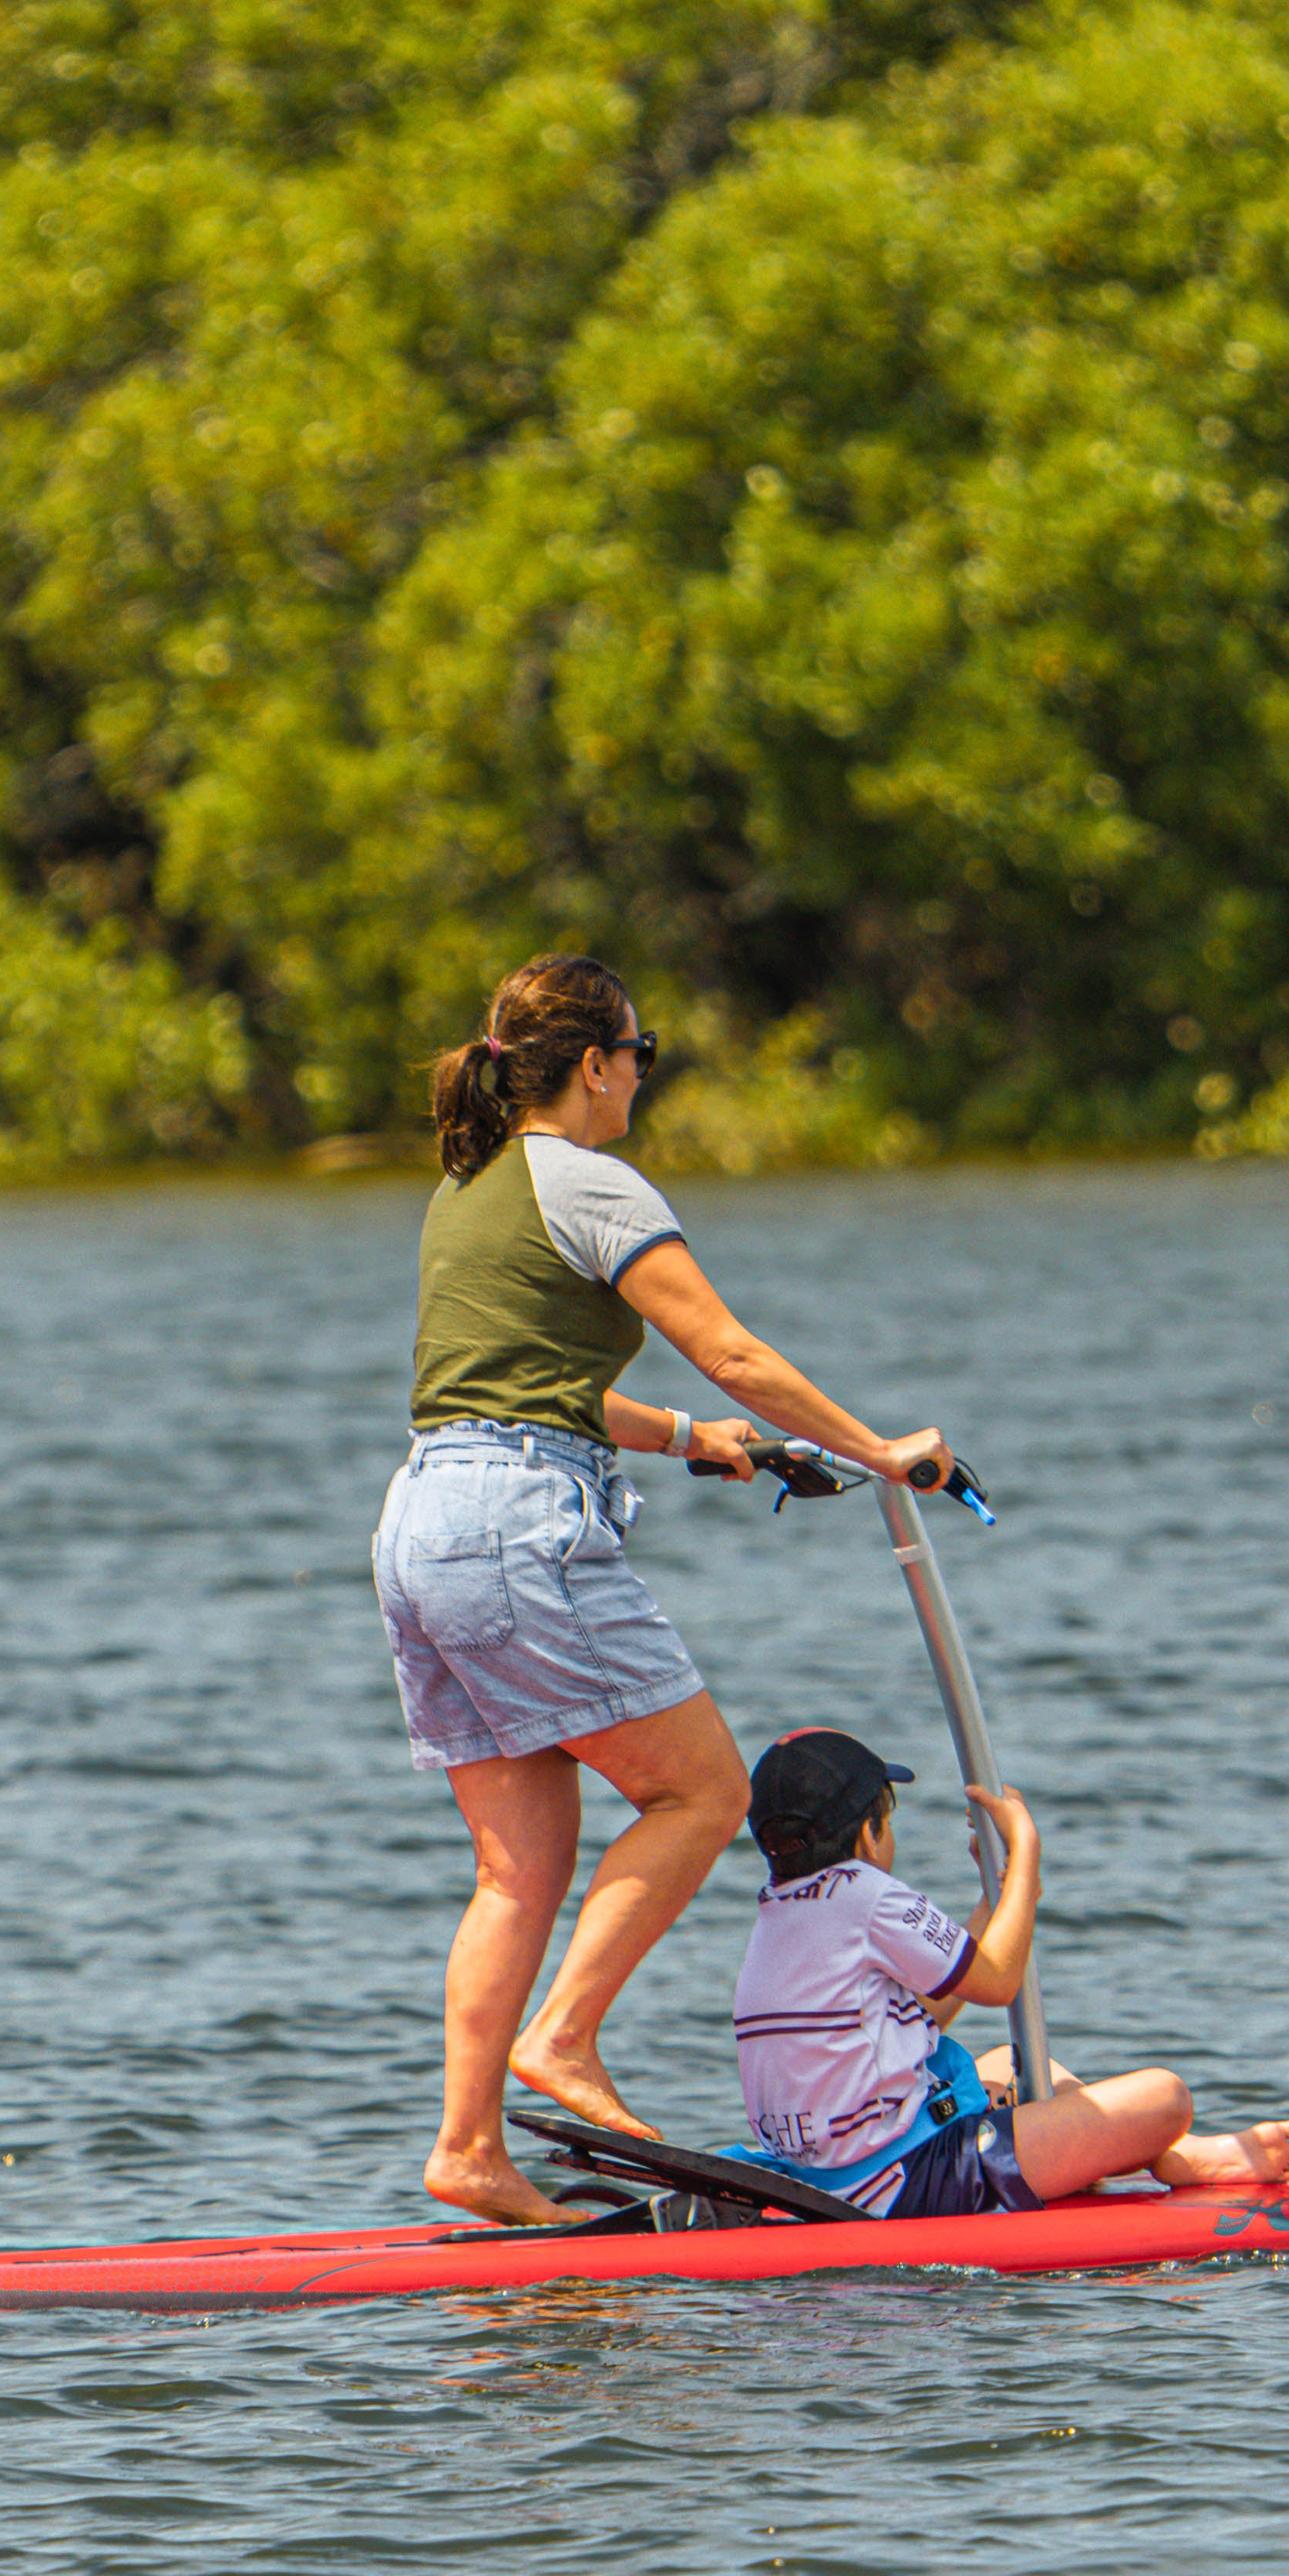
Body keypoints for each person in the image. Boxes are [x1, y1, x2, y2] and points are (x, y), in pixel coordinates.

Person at [373, 953, 953, 2230]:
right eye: (643, 1052)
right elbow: (732, 1345)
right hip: (517, 1526)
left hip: (422, 1520)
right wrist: (879, 1449)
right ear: (594, 1063)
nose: (644, 1072)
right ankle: (564, 2036)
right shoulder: (588, 1179)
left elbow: (526, 1387)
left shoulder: (465, 1191)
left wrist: (690, 1437)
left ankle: (468, 2147)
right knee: (701, 1789)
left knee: (517, 1870)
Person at [730, 1725, 1289, 2218]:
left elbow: (927, 2006)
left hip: (822, 2175)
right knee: (1165, 2097)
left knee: (1012, 2064)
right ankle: (1170, 2147)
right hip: (900, 2183)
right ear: (867, 1831)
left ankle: (1173, 2153)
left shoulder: (778, 1908)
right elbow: (997, 1982)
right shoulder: (869, 1893)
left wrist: (999, 1899)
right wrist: (1026, 1858)